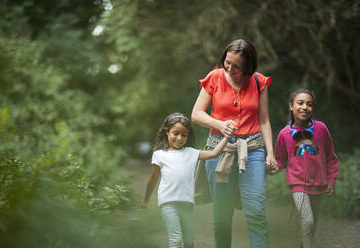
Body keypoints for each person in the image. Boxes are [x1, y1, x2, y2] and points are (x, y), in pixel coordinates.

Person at [191, 39, 276, 248]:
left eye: (236, 66)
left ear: (249, 66)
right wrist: (219, 124)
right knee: (221, 216)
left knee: (256, 211)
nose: (229, 68)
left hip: (253, 150)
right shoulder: (215, 77)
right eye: (227, 62)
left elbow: (264, 120)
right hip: (219, 150)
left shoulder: (259, 82)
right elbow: (196, 114)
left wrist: (270, 154)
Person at [141, 112, 235, 248]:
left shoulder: (191, 153)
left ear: (188, 136)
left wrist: (227, 137)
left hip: (187, 203)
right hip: (168, 203)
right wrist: (145, 200)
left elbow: (214, 153)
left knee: (189, 242)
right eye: (175, 133)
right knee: (176, 240)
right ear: (167, 132)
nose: (179, 138)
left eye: (184, 135)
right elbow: (152, 179)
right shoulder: (159, 155)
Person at [271, 89, 339, 248]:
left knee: (312, 223)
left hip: (319, 183)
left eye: (309, 104)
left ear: (313, 108)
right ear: (291, 106)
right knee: (307, 219)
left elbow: (331, 157)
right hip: (298, 184)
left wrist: (331, 180)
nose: (305, 107)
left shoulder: (321, 129)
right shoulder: (284, 134)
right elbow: (281, 160)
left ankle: (305, 245)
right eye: (300, 103)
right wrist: (273, 168)